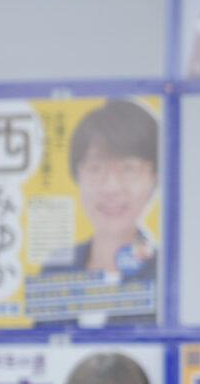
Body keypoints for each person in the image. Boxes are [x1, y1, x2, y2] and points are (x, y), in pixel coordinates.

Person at [38, 99, 159, 285]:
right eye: (96, 168)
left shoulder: (166, 270)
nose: (111, 187)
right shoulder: (55, 270)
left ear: (154, 177)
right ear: (78, 174)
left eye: (129, 169)